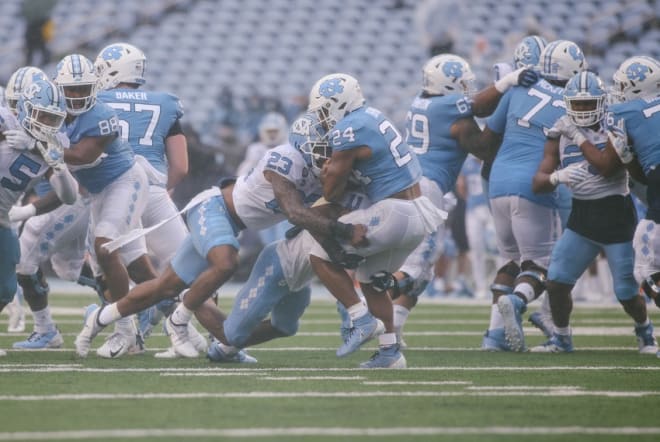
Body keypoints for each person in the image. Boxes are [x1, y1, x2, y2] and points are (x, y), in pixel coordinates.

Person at [74, 112, 367, 359]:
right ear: (304, 147)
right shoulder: (285, 159)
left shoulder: (322, 174)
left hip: (231, 223)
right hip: (213, 209)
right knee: (226, 261)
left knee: (164, 286)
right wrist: (342, 231)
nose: (328, 157)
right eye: (322, 150)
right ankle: (179, 319)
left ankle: (99, 318)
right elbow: (294, 212)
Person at [307, 72, 446, 368]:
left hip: (395, 212)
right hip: (419, 212)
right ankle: (390, 352)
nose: (322, 118)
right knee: (372, 282)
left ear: (338, 103)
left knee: (318, 255)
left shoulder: (348, 129)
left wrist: (326, 171)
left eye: (323, 110)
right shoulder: (371, 116)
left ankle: (360, 319)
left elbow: (331, 192)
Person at [472, 40, 587, 352]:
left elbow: (484, 142)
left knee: (510, 260)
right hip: (535, 184)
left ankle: (495, 336)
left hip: (497, 182)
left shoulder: (517, 88)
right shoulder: (572, 100)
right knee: (544, 264)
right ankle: (521, 302)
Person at [530, 71, 656, 354]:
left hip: (615, 215)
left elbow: (606, 167)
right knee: (557, 281)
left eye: (589, 104)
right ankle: (561, 337)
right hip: (582, 216)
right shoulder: (559, 132)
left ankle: (645, 332)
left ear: (602, 102)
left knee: (625, 291)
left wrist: (576, 135)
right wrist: (557, 178)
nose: (584, 110)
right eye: (578, 104)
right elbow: (537, 182)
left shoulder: (615, 123)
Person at [55, 54, 156, 358]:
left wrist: (42, 143)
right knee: (129, 268)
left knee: (106, 247)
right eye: (70, 90)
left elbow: (82, 155)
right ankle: (180, 321)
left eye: (82, 88)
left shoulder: (101, 113)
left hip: (125, 182)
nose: (75, 95)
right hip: (99, 193)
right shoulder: (53, 110)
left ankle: (125, 330)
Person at [94, 42, 194, 346]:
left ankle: (126, 332)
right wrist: (165, 187)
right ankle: (194, 331)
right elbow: (181, 166)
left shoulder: (94, 100)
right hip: (154, 190)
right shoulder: (164, 102)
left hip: (115, 191)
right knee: (190, 266)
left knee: (111, 266)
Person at [564, 56, 660, 351]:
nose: (616, 92)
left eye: (621, 86)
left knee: (646, 267)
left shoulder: (622, 111)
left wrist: (577, 137)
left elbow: (608, 165)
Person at [0, 78, 78, 356]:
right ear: (22, 109)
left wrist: (54, 161)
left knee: (6, 287)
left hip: (2, 217)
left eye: (52, 118)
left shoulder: (52, 144)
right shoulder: (6, 121)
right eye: (40, 115)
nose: (45, 122)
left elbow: (69, 196)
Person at [21, 0, 57, 65]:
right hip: (34, 36)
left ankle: (45, 63)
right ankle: (30, 65)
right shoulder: (33, 22)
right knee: (31, 53)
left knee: (42, 50)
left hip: (39, 36)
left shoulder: (43, 19)